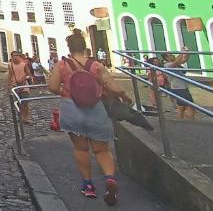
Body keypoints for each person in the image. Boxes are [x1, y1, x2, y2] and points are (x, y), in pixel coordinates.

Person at [48, 29, 131, 205]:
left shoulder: (62, 65)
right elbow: (112, 86)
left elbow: (53, 86)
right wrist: (125, 95)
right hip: (95, 108)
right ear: (85, 47)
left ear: (69, 48)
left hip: (71, 109)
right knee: (102, 149)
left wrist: (66, 92)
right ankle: (110, 178)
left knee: (81, 149)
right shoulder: (96, 65)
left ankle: (88, 185)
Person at [163, 50, 195, 120]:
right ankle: (191, 122)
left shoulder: (175, 64)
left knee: (181, 107)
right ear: (166, 58)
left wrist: (186, 53)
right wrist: (182, 52)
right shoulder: (167, 65)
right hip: (179, 88)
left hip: (181, 87)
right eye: (170, 55)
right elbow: (177, 61)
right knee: (190, 106)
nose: (173, 55)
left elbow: (184, 60)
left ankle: (180, 121)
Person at [8, 52, 33, 124]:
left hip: (24, 85)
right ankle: (21, 117)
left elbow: (29, 74)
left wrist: (25, 78)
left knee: (25, 102)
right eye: (13, 56)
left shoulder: (23, 64)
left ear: (19, 56)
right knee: (18, 103)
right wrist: (9, 84)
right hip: (15, 86)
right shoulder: (10, 65)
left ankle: (26, 117)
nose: (15, 57)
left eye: (16, 56)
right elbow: (10, 75)